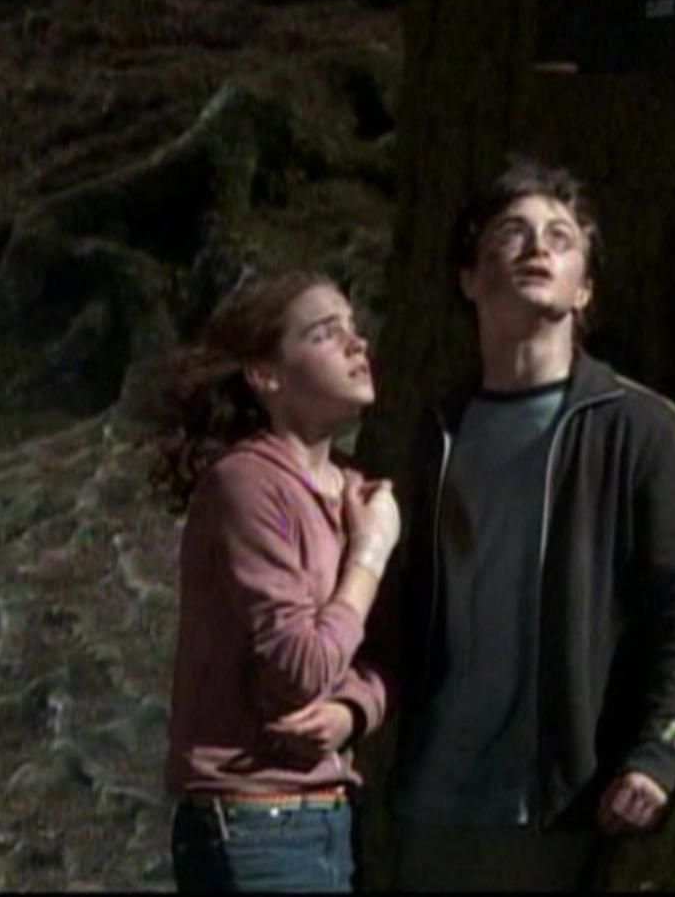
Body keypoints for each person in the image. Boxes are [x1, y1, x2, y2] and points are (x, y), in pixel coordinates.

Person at [383, 157, 675, 891]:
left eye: (560, 237)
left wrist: (658, 752)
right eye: (512, 232)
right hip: (429, 800)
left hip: (554, 807)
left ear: (585, 289)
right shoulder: (439, 429)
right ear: (469, 278)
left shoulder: (638, 425)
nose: (538, 247)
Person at [150, 269, 402, 893]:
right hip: (254, 822)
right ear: (265, 376)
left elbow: (380, 649)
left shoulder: (354, 489)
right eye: (325, 333)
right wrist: (369, 555)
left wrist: (352, 711)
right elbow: (299, 668)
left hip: (324, 817)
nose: (357, 344)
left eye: (354, 329)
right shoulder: (248, 485)